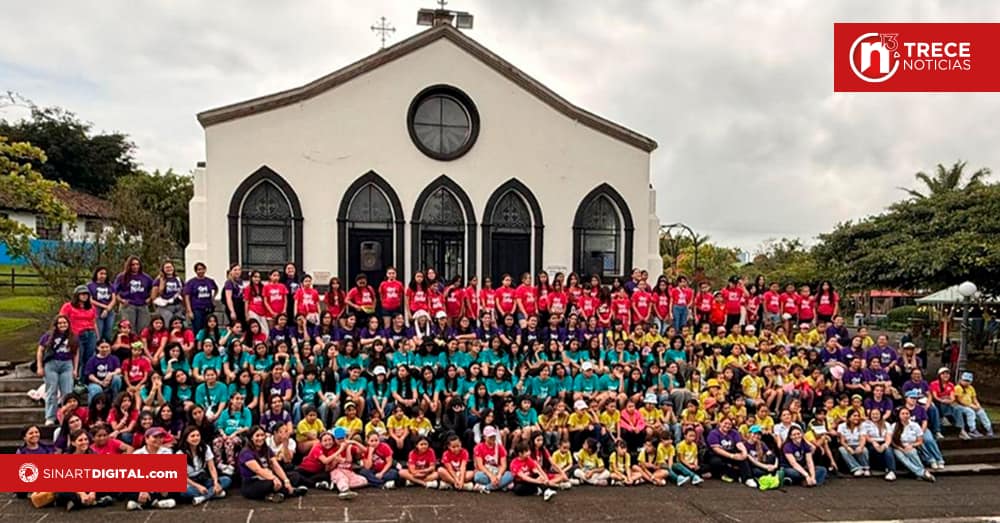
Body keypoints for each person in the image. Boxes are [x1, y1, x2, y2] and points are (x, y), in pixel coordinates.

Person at [238, 425, 308, 502]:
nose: (260, 438)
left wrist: (286, 480)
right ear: (251, 437)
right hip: (252, 483)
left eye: (262, 435)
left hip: (267, 476)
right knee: (271, 484)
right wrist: (274, 478)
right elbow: (258, 470)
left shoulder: (266, 449)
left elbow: (275, 465)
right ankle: (286, 492)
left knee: (292, 476)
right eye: (257, 436)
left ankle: (277, 493)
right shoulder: (246, 452)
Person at [36, 315, 78, 426]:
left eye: (64, 323)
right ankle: (50, 416)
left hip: (67, 364)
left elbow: (75, 353)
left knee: (67, 392)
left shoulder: (73, 336)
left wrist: (75, 369)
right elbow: (40, 350)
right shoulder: (48, 336)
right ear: (56, 325)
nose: (62, 325)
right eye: (60, 323)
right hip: (51, 364)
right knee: (51, 390)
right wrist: (40, 367)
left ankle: (67, 415)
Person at [177, 425, 231, 505]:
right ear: (186, 438)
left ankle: (203, 497)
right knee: (183, 492)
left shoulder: (205, 448)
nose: (196, 438)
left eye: (198, 435)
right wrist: (198, 486)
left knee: (226, 480)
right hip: (190, 482)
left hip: (203, 478)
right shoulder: (180, 453)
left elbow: (212, 467)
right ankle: (213, 494)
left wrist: (216, 483)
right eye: (192, 436)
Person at [126, 427, 177, 510]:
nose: (158, 440)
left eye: (160, 437)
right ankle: (155, 503)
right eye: (155, 437)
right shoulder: (137, 454)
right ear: (146, 439)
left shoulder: (167, 452)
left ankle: (142, 504)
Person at [60, 284, 98, 380]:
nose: (84, 296)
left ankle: (85, 380)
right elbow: (61, 320)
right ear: (77, 295)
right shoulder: (68, 306)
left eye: (86, 294)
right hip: (76, 334)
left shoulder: (92, 307)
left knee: (89, 358)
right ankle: (75, 379)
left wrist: (98, 336)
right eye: (82, 294)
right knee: (78, 358)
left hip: (90, 333)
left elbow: (94, 322)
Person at [706, 417, 756, 487]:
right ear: (720, 423)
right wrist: (732, 456)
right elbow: (716, 449)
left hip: (731, 451)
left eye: (729, 424)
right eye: (725, 423)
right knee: (716, 462)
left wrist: (744, 453)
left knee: (743, 458)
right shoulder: (713, 433)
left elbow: (739, 444)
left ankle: (748, 478)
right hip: (717, 454)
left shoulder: (734, 432)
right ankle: (737, 476)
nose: (727, 425)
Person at [891, 407, 936, 482]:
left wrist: (912, 445)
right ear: (899, 415)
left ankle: (919, 473)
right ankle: (923, 472)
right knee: (900, 456)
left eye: (907, 413)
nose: (905, 415)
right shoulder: (894, 426)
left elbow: (920, 441)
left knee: (912, 452)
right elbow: (892, 441)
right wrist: (900, 448)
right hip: (898, 447)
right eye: (903, 414)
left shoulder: (915, 425)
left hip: (912, 445)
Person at [116, 256, 154, 331]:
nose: (135, 266)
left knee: (143, 329)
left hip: (142, 305)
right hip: (128, 305)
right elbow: (114, 291)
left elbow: (154, 288)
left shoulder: (146, 277)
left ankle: (141, 343)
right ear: (129, 265)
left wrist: (150, 299)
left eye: (137, 264)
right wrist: (121, 300)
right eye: (133, 265)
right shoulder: (122, 277)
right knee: (129, 328)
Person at [954, 371, 995, 438]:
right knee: (970, 412)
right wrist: (972, 406)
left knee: (981, 412)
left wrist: (978, 405)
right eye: (965, 380)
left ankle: (988, 428)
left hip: (971, 405)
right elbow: (960, 400)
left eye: (968, 381)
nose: (966, 382)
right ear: (961, 380)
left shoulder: (971, 388)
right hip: (961, 406)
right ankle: (972, 430)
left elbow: (974, 398)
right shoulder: (958, 388)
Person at [473, 426, 514, 491]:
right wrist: (491, 476)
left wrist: (499, 475)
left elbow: (504, 465)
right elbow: (480, 465)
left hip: (497, 471)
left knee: (510, 475)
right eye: (490, 437)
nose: (492, 438)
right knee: (477, 477)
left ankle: (486, 487)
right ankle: (502, 485)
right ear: (484, 437)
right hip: (486, 472)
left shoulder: (500, 447)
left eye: (494, 436)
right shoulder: (479, 447)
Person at [183, 262, 219, 335]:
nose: (201, 271)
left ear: (205, 270)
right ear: (196, 271)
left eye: (202, 269)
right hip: (197, 309)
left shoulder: (210, 281)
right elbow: (187, 296)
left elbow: (216, 289)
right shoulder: (191, 282)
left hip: (208, 308)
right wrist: (189, 311)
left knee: (208, 328)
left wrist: (213, 297)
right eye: (199, 269)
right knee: (198, 328)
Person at [89, 266, 118, 343]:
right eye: (101, 273)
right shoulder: (90, 286)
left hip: (109, 310)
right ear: (96, 274)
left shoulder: (110, 285)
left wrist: (108, 308)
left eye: (105, 274)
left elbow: (114, 299)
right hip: (97, 310)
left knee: (108, 331)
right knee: (99, 331)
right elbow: (90, 300)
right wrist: (104, 306)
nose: (103, 276)